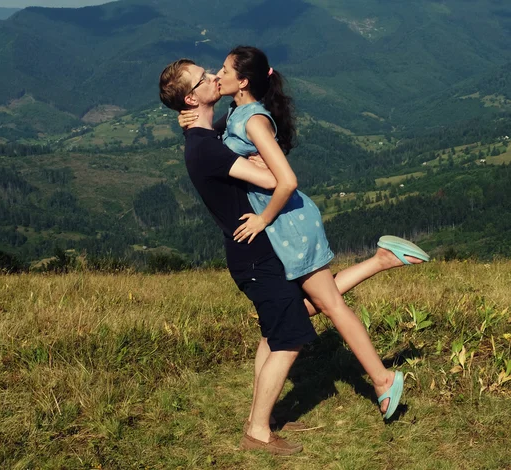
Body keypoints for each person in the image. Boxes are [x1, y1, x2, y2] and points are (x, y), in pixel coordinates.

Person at [159, 57, 427, 456]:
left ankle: (258, 420)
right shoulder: (205, 148)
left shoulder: (206, 138)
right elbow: (275, 180)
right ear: (190, 97)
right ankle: (258, 432)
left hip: (259, 250)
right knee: (287, 340)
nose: (213, 76)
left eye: (212, 71)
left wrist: (204, 125)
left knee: (287, 324)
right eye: (203, 78)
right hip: (254, 255)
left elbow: (220, 138)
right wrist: (257, 164)